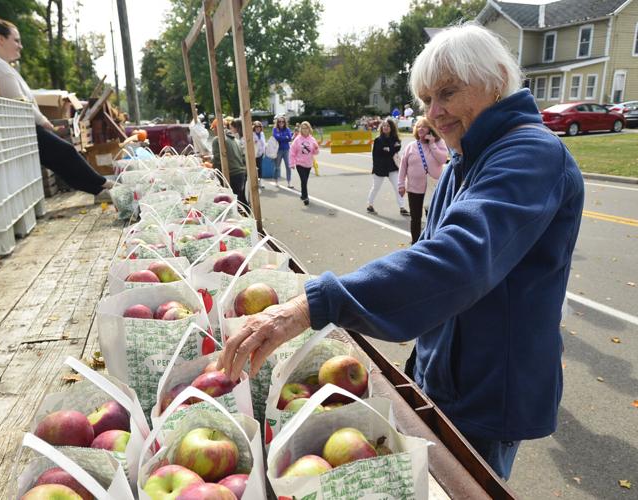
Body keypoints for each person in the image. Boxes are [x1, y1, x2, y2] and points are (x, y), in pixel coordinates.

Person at [218, 23, 584, 481]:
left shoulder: (531, 154)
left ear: (494, 80)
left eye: (447, 93)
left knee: (464, 484)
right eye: (427, 100)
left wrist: (317, 303)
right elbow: (427, 258)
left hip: (489, 389)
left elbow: (457, 262)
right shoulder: (465, 159)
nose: (434, 113)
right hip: (444, 376)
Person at [0, 15, 113, 197]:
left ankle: (100, 187)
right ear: (0, 40)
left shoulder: (1, 66)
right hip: (21, 130)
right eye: (16, 40)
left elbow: (26, 96)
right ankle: (102, 186)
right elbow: (21, 103)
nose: (20, 46)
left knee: (62, 153)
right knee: (64, 152)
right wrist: (43, 121)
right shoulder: (0, 68)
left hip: (20, 129)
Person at [398, 117, 448, 243]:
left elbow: (443, 160)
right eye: (418, 126)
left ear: (431, 129)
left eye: (424, 126)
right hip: (414, 189)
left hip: (432, 189)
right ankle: (415, 243)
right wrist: (401, 184)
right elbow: (403, 166)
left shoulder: (439, 143)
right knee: (415, 218)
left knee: (433, 217)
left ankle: (432, 242)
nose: (420, 129)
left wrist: (432, 144)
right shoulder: (411, 146)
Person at [366, 117, 404, 215]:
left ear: (392, 127)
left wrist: (388, 149)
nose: (385, 128)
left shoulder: (396, 139)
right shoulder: (378, 140)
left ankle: (402, 207)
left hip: (392, 167)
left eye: (388, 126)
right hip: (380, 168)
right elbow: (378, 154)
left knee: (398, 187)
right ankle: (370, 204)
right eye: (384, 126)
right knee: (376, 187)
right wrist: (389, 150)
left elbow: (396, 148)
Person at [212, 119, 248, 208]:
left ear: (217, 128)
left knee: (231, 203)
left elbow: (217, 159)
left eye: (213, 129)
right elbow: (242, 156)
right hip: (241, 173)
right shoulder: (235, 139)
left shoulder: (218, 140)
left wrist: (214, 175)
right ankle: (247, 216)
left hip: (230, 174)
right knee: (240, 200)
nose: (213, 131)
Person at [289, 121, 319, 206]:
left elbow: (315, 153)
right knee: (304, 180)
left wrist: (316, 149)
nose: (305, 130)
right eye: (303, 128)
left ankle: (302, 195)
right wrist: (292, 163)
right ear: (300, 129)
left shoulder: (312, 139)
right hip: (299, 164)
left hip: (308, 164)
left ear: (309, 129)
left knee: (304, 181)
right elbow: (292, 152)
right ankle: (306, 197)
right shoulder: (297, 139)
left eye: (306, 128)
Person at [272, 116, 294, 188]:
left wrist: (281, 137)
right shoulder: (275, 129)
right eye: (279, 121)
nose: (281, 123)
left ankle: (289, 182)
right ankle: (276, 181)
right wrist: (285, 137)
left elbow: (290, 138)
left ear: (285, 122)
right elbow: (276, 137)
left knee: (288, 166)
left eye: (282, 121)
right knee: (277, 167)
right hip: (278, 150)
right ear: (277, 123)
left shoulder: (287, 129)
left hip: (286, 150)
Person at [252, 121, 266, 190]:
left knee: (260, 167)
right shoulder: (252, 134)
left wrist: (264, 151)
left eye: (259, 127)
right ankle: (254, 182)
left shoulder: (262, 134)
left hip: (260, 153)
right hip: (254, 154)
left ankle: (260, 181)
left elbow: (264, 144)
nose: (258, 128)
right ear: (254, 127)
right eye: (256, 127)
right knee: (254, 168)